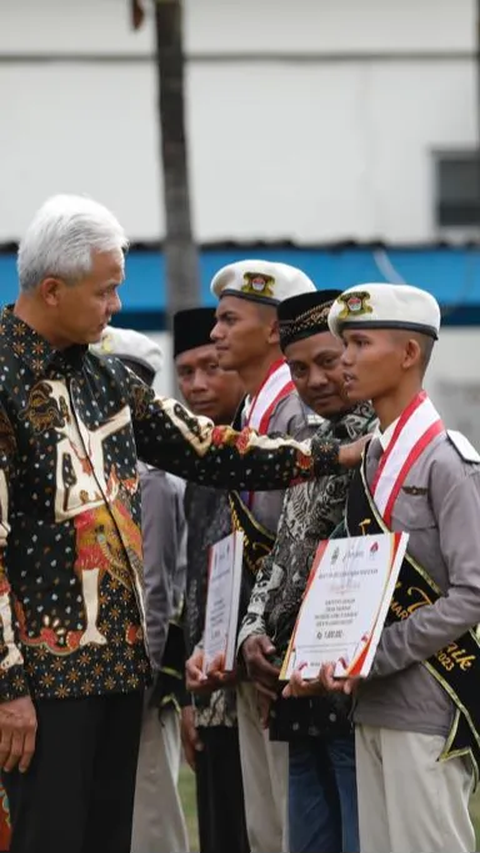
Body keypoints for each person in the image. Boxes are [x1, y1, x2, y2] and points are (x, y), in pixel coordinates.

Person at [0, 194, 360, 853]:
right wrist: (6, 685)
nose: (114, 308)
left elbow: (208, 446)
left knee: (109, 838)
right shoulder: (2, 380)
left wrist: (328, 454)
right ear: (53, 290)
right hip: (39, 682)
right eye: (106, 291)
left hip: (118, 670)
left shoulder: (104, 378)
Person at [288, 282, 480, 853]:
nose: (344, 360)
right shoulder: (370, 457)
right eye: (344, 344)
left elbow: (472, 593)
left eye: (359, 343)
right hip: (367, 702)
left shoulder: (448, 461)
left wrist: (377, 653)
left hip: (427, 703)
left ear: (408, 354)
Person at [238, 289, 376, 853]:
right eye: (298, 368)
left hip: (350, 688)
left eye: (328, 361)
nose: (315, 379)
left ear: (354, 355)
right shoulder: (308, 446)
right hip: (292, 688)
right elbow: (280, 554)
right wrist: (250, 633)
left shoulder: (387, 445)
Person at [205, 259, 317, 853]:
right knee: (264, 823)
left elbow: (301, 538)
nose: (215, 333)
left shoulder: (295, 411)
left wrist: (279, 639)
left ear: (274, 329)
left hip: (281, 653)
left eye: (229, 319)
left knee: (287, 823)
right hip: (254, 646)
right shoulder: (253, 412)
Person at [91, 325, 189, 853]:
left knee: (151, 812)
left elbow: (156, 589)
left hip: (140, 678)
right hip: (96, 673)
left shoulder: (151, 477)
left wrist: (143, 680)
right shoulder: (94, 473)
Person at [174, 307, 249, 853]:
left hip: (255, 682)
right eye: (185, 372)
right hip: (209, 689)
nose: (197, 385)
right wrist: (187, 699)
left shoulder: (262, 455)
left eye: (209, 366)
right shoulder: (198, 467)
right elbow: (190, 594)